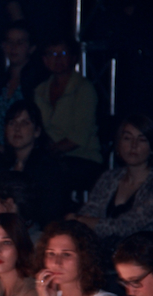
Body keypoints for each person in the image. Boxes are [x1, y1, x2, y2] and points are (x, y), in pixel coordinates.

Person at [68, 115, 153, 252]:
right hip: (103, 255)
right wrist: (79, 220)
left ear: (152, 147)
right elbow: (89, 212)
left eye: (142, 139)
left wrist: (83, 220)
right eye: (127, 138)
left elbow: (127, 227)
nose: (133, 145)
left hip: (144, 256)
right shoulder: (109, 177)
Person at [34, 37, 103, 198]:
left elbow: (78, 137)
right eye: (52, 54)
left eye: (63, 53)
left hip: (82, 157)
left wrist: (47, 152)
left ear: (73, 58)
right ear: (44, 60)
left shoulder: (83, 89)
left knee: (47, 172)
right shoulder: (40, 90)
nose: (57, 59)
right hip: (50, 158)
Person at [2, 99, 66, 228]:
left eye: (25, 123)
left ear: (37, 131)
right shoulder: (1, 164)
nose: (17, 129)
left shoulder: (48, 167)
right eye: (12, 123)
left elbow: (49, 213)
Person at [0, 20, 47, 145]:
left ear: (31, 48)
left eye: (20, 42)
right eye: (9, 42)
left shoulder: (40, 82)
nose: (13, 47)